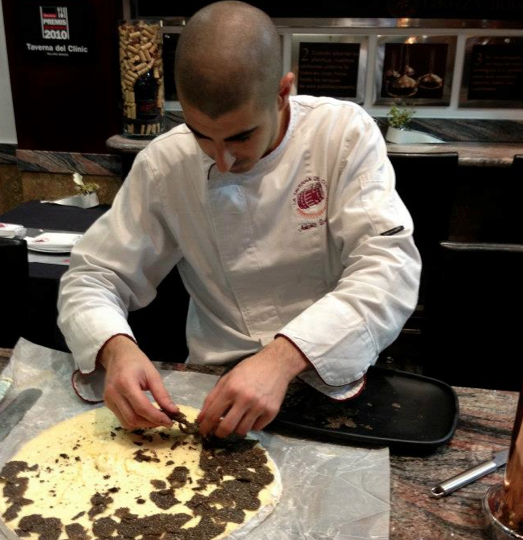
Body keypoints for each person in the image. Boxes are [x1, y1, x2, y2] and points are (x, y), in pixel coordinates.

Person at [58, 1, 421, 438]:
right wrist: (115, 349)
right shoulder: (165, 163)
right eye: (201, 137)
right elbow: (93, 276)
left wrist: (281, 358)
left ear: (282, 92)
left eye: (241, 136)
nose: (223, 161)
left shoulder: (340, 135)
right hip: (210, 385)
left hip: (325, 370)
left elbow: (388, 268)